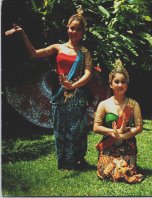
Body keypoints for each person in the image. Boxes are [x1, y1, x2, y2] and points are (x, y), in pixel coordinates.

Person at [5, 6, 93, 170]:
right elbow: (35, 53)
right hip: (59, 93)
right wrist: (23, 34)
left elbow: (88, 74)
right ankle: (65, 162)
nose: (74, 32)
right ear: (67, 28)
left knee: (77, 129)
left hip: (77, 93)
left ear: (83, 33)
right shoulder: (57, 47)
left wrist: (72, 85)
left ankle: (78, 159)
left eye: (78, 30)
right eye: (72, 28)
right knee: (60, 128)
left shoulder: (85, 52)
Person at [93, 59, 143, 184]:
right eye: (116, 82)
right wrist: (113, 132)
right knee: (104, 170)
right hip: (109, 144)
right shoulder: (104, 104)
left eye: (123, 82)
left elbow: (139, 127)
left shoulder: (133, 104)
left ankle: (122, 171)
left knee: (128, 168)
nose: (120, 85)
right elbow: (96, 127)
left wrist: (123, 135)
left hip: (128, 146)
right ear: (111, 84)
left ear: (127, 85)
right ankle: (120, 171)